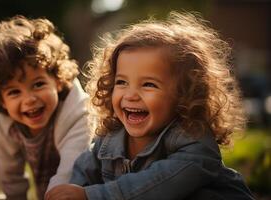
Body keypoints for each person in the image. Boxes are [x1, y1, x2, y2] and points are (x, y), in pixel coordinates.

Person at [45, 11, 255, 200]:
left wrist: (91, 196)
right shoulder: (110, 139)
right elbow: (84, 171)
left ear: (184, 94)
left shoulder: (195, 144)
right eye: (121, 82)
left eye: (148, 84)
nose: (131, 94)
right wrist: (72, 191)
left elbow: (155, 186)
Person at [0, 15, 91, 200]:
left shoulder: (77, 112)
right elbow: (9, 173)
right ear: (0, 100)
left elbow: (72, 169)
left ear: (57, 80)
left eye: (38, 84)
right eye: (14, 92)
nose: (29, 99)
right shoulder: (5, 122)